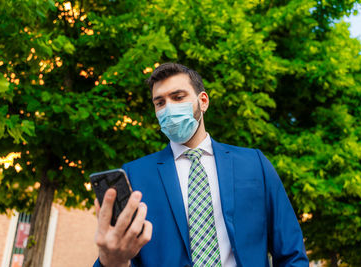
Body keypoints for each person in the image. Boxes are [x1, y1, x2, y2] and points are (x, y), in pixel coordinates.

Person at [93, 63, 309, 267]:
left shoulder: (254, 164)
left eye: (178, 97)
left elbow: (291, 253)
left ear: (203, 101)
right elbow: (116, 251)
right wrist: (109, 261)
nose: (168, 108)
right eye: (160, 103)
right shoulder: (135, 174)